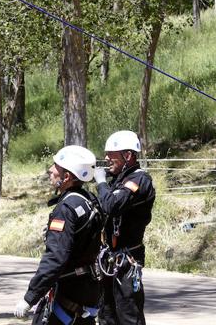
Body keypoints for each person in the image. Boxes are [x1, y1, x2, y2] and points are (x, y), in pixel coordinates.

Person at [15, 145, 102, 324]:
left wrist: (29, 298)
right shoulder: (89, 200)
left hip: (69, 294)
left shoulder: (66, 209)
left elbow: (55, 258)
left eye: (56, 167)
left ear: (67, 177)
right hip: (88, 289)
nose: (50, 170)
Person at [94, 130, 155, 325]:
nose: (106, 158)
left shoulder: (139, 180)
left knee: (129, 316)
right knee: (106, 315)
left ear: (127, 155)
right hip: (109, 260)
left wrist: (101, 183)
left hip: (127, 261)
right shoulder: (118, 181)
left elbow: (112, 205)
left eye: (110, 154)